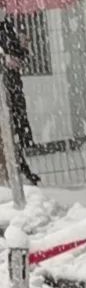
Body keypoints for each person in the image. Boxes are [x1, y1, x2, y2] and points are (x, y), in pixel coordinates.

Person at [0, 19, 39, 185]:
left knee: (12, 129)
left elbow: (21, 58)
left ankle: (17, 170)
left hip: (11, 87)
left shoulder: (6, 26)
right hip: (7, 87)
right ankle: (12, 173)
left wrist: (21, 48)